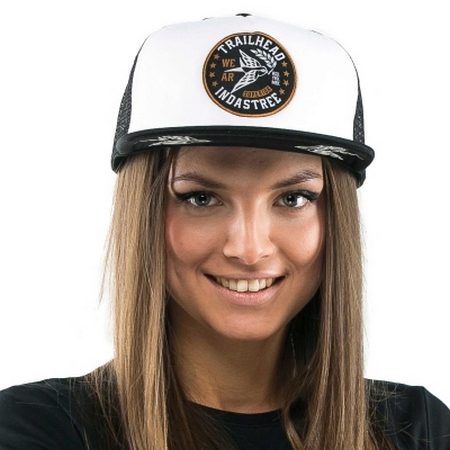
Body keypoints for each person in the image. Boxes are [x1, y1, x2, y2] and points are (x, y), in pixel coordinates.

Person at [0, 13, 449, 450]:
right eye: (200, 198)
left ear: (337, 219)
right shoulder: (35, 430)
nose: (249, 249)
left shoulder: (416, 430)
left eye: (294, 198)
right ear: (143, 213)